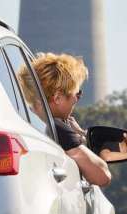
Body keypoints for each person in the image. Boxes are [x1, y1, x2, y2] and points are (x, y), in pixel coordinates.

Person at [21, 52, 111, 186]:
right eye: (77, 94)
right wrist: (78, 137)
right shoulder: (56, 127)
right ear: (57, 98)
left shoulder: (22, 118)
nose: (76, 99)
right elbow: (102, 176)